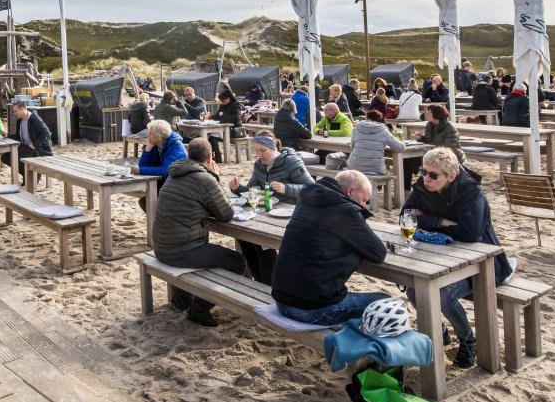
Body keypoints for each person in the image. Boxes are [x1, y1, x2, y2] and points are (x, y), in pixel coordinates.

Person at [403, 147, 513, 368]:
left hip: (482, 264)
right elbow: (406, 217)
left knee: (444, 295)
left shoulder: (471, 191)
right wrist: (441, 222)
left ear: (451, 176)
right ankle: (440, 330)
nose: (426, 178)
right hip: (441, 258)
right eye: (424, 171)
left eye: (433, 175)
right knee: (415, 289)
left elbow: (471, 233)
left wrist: (428, 221)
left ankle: (467, 341)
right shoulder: (423, 186)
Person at [271, 170, 389, 325]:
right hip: (310, 309)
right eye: (364, 200)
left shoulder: (306, 200)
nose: (364, 206)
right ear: (350, 191)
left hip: (281, 300)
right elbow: (378, 253)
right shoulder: (346, 210)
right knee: (387, 303)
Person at [153, 138, 245, 326]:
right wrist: (215, 177)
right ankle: (199, 310)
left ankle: (181, 300)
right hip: (180, 251)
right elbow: (226, 213)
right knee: (237, 262)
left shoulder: (175, 173)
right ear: (210, 158)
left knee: (203, 249)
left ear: (189, 155)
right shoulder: (204, 178)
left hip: (161, 246)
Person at [228, 135, 315, 283]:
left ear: (273, 148)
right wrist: (237, 189)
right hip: (267, 211)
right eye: (257, 151)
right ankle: (261, 280)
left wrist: (286, 188)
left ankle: (269, 282)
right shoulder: (259, 164)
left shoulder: (290, 161)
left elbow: (313, 188)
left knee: (262, 242)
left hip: (290, 212)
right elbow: (252, 190)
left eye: (263, 150)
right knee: (245, 238)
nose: (260, 155)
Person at [130, 119, 188, 206]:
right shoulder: (156, 145)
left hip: (178, 186)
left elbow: (165, 171)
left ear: (160, 136)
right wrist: (148, 149)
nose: (147, 135)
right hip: (165, 183)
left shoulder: (176, 147)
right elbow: (143, 165)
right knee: (146, 201)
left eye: (151, 133)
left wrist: (139, 170)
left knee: (146, 202)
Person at [408, 104, 464, 191]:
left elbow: (448, 150)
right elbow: (428, 141)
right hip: (432, 157)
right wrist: (421, 138)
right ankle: (406, 189)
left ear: (437, 114)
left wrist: (432, 155)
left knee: (431, 170)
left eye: (429, 113)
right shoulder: (429, 125)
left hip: (449, 159)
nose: (427, 114)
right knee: (407, 161)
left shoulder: (450, 128)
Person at [349, 109, 406, 176]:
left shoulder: (356, 129)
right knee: (387, 171)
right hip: (375, 169)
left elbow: (352, 147)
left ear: (366, 118)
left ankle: (376, 186)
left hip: (355, 167)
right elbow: (400, 148)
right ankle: (380, 186)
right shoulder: (383, 131)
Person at [3, 99, 53, 167]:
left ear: (22, 109)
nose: (14, 114)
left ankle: (31, 175)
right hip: (25, 147)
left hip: (38, 149)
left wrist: (35, 144)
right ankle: (26, 174)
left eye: (15, 111)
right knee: (5, 157)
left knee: (18, 157)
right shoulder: (19, 121)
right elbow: (18, 137)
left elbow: (46, 132)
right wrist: (7, 135)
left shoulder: (34, 119)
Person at [208, 89, 244, 162]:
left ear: (228, 98)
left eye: (223, 100)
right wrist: (210, 117)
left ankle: (218, 156)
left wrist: (224, 115)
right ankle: (213, 155)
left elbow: (236, 119)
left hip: (234, 129)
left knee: (212, 137)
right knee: (209, 135)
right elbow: (217, 116)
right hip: (223, 129)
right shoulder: (222, 106)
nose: (222, 102)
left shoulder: (236, 106)